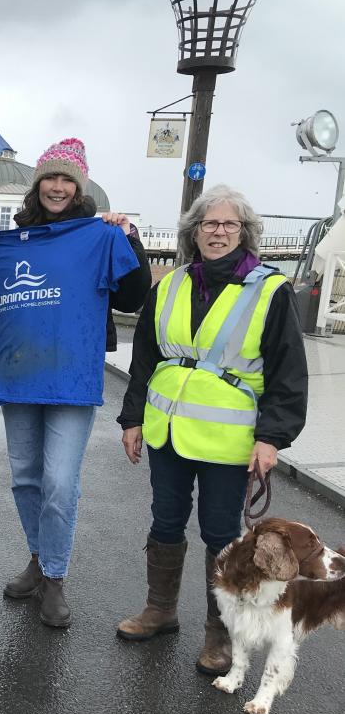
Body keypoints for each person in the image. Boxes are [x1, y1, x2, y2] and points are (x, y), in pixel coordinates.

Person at [0, 138, 150, 627]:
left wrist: (129, 238)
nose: (57, 186)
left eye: (67, 179)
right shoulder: (4, 242)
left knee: (60, 481)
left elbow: (133, 296)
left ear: (77, 187)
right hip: (17, 375)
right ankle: (38, 559)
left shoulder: (97, 235)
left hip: (72, 379)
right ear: (37, 184)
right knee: (25, 477)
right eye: (50, 178)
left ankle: (55, 577)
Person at [115, 184, 307, 675]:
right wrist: (132, 417)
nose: (218, 232)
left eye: (229, 224)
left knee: (221, 535)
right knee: (165, 522)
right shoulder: (171, 285)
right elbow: (145, 358)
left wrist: (272, 437)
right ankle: (160, 612)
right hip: (169, 432)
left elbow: (288, 372)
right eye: (209, 224)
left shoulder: (270, 290)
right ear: (193, 232)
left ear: (245, 234)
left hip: (230, 441)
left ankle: (220, 634)